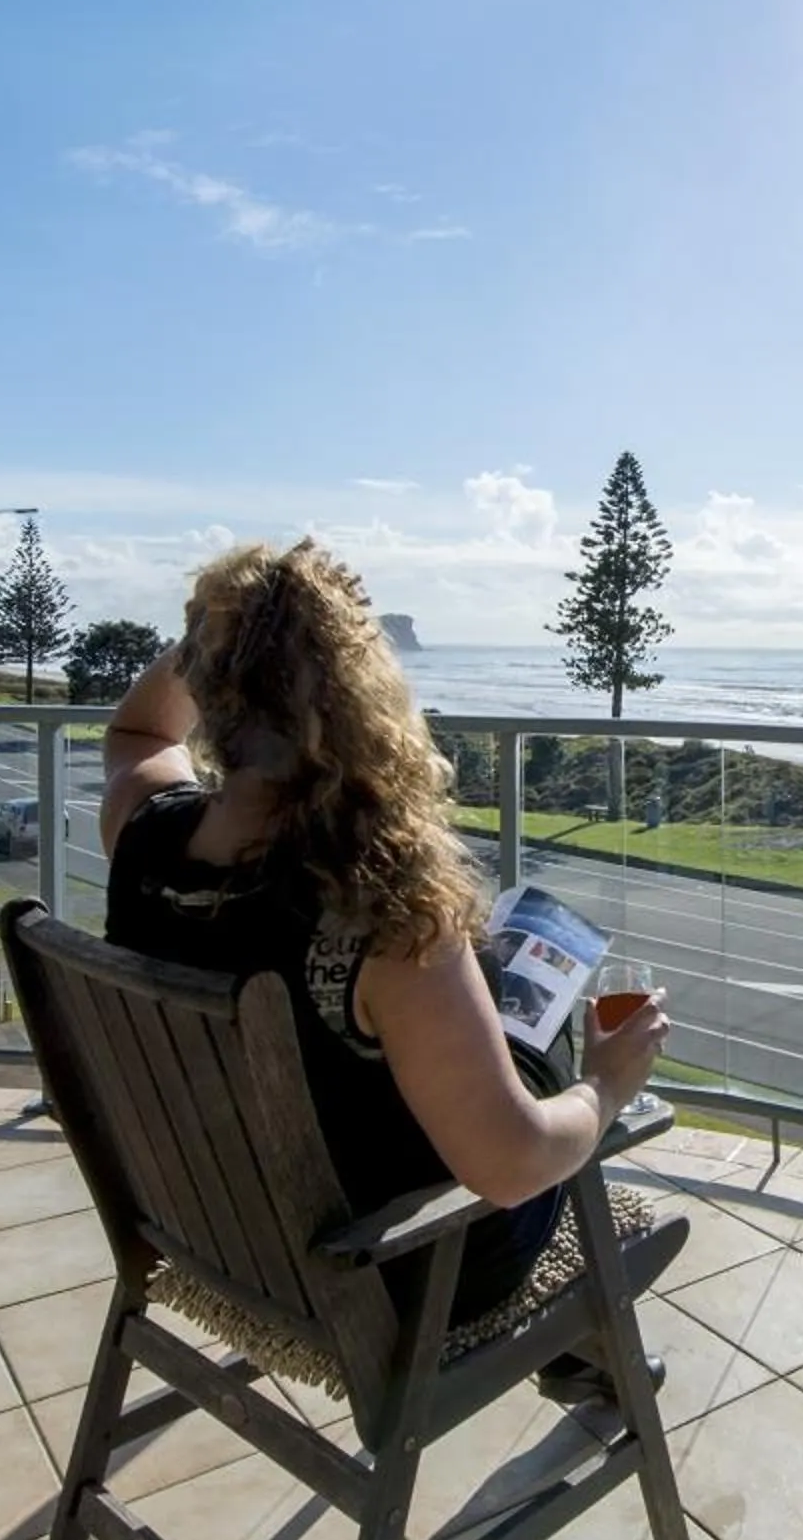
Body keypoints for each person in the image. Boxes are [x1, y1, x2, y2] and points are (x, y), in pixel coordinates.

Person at [97, 537, 671, 1372]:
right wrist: (609, 1084)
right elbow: (511, 1168)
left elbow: (141, 726)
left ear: (212, 688)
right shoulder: (384, 920)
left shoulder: (142, 833)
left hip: (212, 1233)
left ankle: (580, 1356)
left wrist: (240, 624)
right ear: (365, 698)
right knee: (555, 1095)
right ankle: (583, 1351)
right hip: (382, 1274)